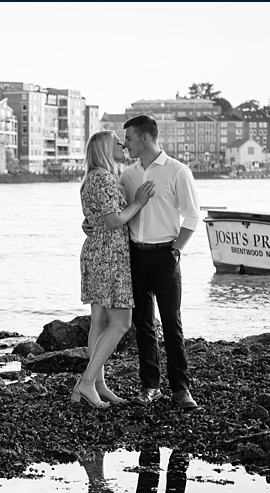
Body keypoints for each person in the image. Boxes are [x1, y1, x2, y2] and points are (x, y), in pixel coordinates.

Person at [119, 114, 201, 410]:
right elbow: (115, 212)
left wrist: (176, 250)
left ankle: (181, 389)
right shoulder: (127, 175)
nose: (125, 144)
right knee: (143, 325)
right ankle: (149, 387)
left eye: (128, 138)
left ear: (145, 138)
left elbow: (193, 215)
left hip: (166, 255)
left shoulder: (177, 171)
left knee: (171, 323)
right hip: (135, 255)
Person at [74, 131, 155, 408]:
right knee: (121, 323)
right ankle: (87, 383)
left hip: (96, 253)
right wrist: (139, 202)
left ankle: (98, 385)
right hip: (110, 256)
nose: (122, 145)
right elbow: (113, 220)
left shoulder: (91, 178)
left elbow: (94, 219)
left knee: (98, 322)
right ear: (106, 149)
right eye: (117, 143)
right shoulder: (105, 179)